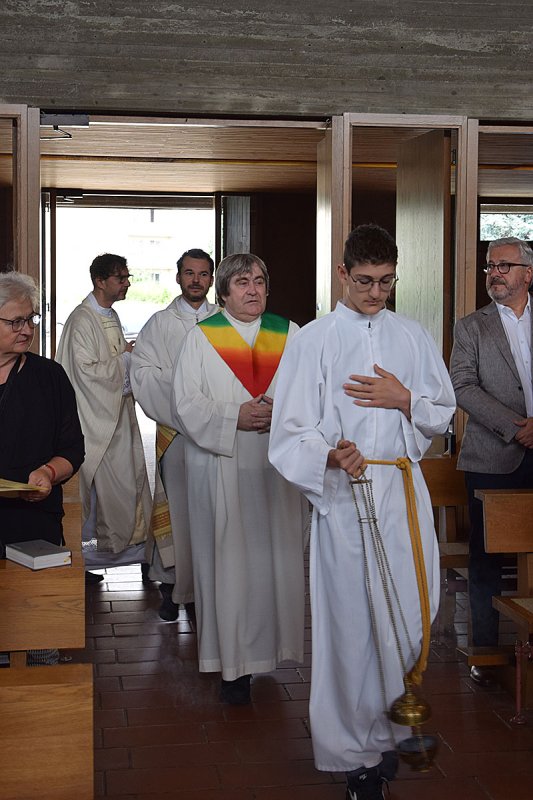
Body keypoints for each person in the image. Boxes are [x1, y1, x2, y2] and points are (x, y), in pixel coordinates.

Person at [269, 225, 455, 800]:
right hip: (345, 496)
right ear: (343, 274)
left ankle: (392, 723)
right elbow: (289, 430)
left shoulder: (412, 336)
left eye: (386, 282)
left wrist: (405, 399)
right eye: (366, 281)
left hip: (402, 488)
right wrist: (329, 453)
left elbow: (442, 412)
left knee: (412, 618)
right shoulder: (314, 340)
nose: (376, 293)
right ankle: (356, 757)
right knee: (353, 626)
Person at [171, 252, 308, 705]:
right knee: (228, 564)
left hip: (275, 470)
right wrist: (235, 417)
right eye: (243, 282)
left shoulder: (289, 334)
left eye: (260, 281)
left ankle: (269, 653)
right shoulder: (201, 338)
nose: (253, 290)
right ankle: (232, 667)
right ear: (224, 292)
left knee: (274, 561)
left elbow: (312, 392)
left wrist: (280, 412)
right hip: (222, 468)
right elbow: (185, 403)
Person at [450, 236, 533, 687]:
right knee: (486, 559)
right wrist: (516, 426)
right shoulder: (471, 327)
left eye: (504, 266)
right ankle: (486, 651)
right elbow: (462, 386)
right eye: (489, 266)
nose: (494, 273)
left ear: (528, 274)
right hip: (491, 458)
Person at [131, 248, 219, 620]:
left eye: (203, 274)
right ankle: (171, 588)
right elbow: (142, 373)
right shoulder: (159, 324)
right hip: (177, 434)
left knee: (212, 511)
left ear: (212, 279)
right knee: (177, 509)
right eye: (189, 273)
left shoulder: (224, 323)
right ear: (178, 276)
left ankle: (207, 591)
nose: (196, 280)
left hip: (217, 434)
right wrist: (185, 396)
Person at [56, 254, 152, 582]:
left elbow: (115, 360)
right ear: (100, 281)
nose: (126, 284)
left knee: (127, 488)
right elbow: (85, 374)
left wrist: (127, 357)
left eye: (127, 277)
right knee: (93, 497)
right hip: (93, 421)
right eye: (120, 278)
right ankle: (84, 561)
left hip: (118, 417)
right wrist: (127, 359)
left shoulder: (110, 315)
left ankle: (133, 555)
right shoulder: (81, 320)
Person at [0, 271, 84, 544]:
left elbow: (73, 449)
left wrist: (48, 473)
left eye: (30, 320)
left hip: (33, 521)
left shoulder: (50, 376)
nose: (27, 330)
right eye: (16, 322)